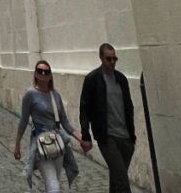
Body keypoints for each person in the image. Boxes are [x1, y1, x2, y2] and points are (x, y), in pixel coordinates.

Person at [14, 59, 85, 191]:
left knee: (53, 183)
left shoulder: (55, 95)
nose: (43, 74)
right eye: (39, 71)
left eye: (46, 72)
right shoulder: (30, 94)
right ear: (35, 74)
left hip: (57, 144)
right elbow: (23, 121)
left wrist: (82, 139)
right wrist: (17, 145)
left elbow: (65, 123)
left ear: (50, 75)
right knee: (54, 186)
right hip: (40, 145)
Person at [79, 44, 136, 193]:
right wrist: (86, 134)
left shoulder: (121, 79)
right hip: (107, 137)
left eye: (114, 58)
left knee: (117, 179)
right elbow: (84, 108)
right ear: (101, 58)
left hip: (126, 138)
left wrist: (132, 136)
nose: (112, 62)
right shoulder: (92, 79)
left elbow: (129, 106)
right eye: (108, 59)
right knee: (122, 181)